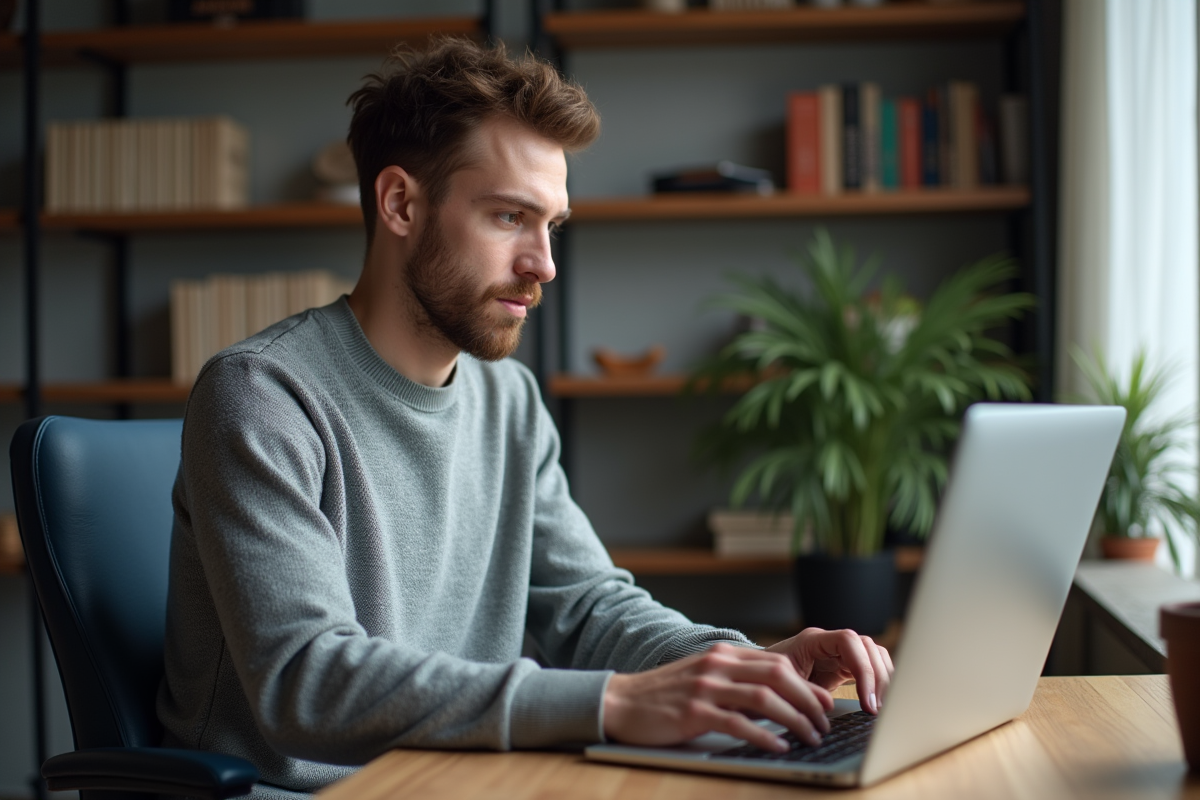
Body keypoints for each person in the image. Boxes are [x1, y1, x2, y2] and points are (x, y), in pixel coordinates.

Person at [157, 37, 894, 798]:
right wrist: (612, 703)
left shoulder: (509, 403)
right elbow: (304, 679)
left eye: (552, 225)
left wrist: (747, 665)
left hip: (453, 782)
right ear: (400, 203)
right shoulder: (262, 394)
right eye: (510, 216)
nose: (542, 263)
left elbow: (589, 610)